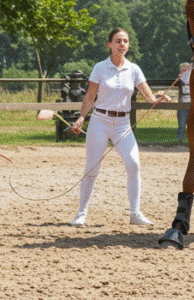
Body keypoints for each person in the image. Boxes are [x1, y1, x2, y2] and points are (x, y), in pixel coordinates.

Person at [69, 28, 169, 227]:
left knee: (134, 165)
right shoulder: (99, 68)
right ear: (109, 44)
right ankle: (81, 213)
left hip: (123, 124)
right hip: (100, 121)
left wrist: (159, 97)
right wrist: (81, 117)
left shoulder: (134, 69)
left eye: (125, 41)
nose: (122, 44)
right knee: (92, 169)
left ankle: (135, 213)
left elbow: (149, 97)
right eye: (118, 41)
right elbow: (90, 96)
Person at [175, 62, 192, 144]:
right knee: (181, 125)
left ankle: (191, 140)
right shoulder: (181, 78)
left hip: (191, 105)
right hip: (182, 105)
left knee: (192, 125)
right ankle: (180, 140)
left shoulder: (192, 77)